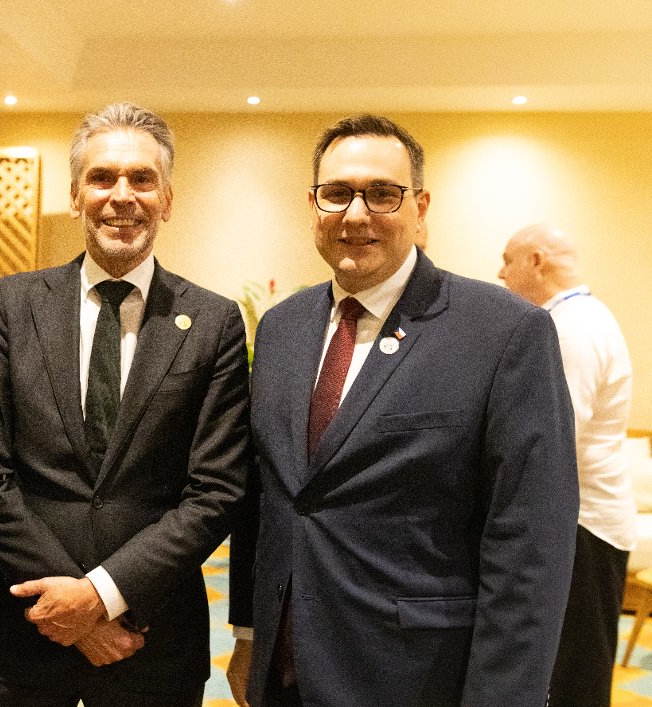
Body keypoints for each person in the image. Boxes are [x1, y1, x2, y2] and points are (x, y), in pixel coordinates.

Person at [227, 114, 579, 706]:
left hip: (415, 678)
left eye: (382, 194)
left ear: (420, 207)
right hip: (285, 672)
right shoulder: (283, 328)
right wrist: (249, 635)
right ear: (313, 205)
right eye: (337, 193)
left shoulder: (504, 332)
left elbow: (530, 545)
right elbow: (266, 497)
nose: (356, 214)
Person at [0, 102, 250, 706]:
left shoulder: (213, 322)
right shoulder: (10, 307)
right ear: (76, 195)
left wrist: (101, 595)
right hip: (24, 633)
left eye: (142, 179)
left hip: (150, 640)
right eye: (102, 178)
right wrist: (73, 612)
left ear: (167, 199)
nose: (122, 196)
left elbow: (216, 490)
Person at [500, 222, 634, 707]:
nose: (501, 274)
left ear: (536, 261)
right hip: (586, 521)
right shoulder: (581, 317)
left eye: (507, 260)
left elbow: (559, 439)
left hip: (586, 525)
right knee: (572, 669)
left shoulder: (573, 327)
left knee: (578, 677)